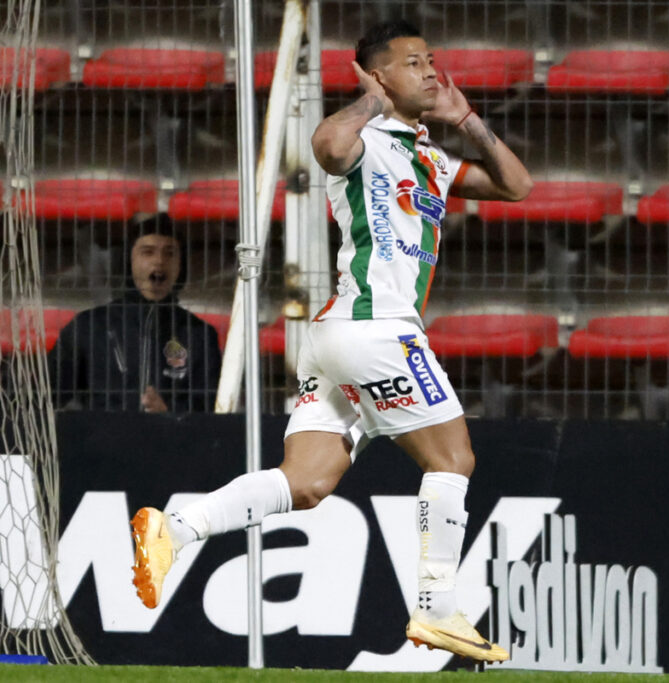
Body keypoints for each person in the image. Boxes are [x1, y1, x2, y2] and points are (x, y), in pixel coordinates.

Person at [130, 20, 531, 663]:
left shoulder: (430, 154)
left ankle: (176, 529)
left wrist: (469, 119)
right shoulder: (367, 137)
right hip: (377, 328)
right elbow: (325, 146)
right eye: (413, 63)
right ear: (379, 75)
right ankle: (437, 610)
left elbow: (517, 185)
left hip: (340, 338)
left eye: (432, 60)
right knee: (452, 461)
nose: (431, 71)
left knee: (308, 482)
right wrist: (373, 98)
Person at [48, 214, 222, 412]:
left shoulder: (200, 335)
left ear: (181, 266)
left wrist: (169, 414)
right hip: (103, 441)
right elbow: (44, 397)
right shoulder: (89, 326)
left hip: (171, 442)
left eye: (170, 253)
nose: (159, 261)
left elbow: (211, 413)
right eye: (147, 252)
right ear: (128, 261)